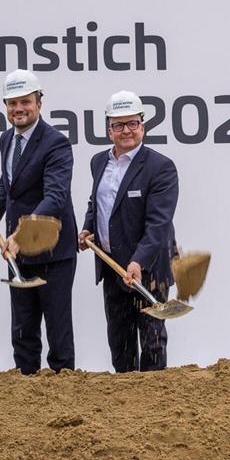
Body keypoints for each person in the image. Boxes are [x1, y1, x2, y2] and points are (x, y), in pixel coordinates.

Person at [0, 69, 77, 375]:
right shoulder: (7, 139)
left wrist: (21, 234)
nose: (19, 109)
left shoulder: (56, 144)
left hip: (51, 252)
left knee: (57, 331)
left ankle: (63, 393)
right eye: (12, 103)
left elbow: (55, 198)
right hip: (17, 251)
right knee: (23, 329)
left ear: (39, 103)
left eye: (25, 102)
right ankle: (26, 389)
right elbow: (9, 180)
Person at [80, 91, 178, 372]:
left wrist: (138, 262)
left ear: (143, 126)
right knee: (119, 342)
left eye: (132, 123)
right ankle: (125, 409)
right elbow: (97, 202)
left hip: (148, 271)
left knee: (152, 342)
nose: (126, 131)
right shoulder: (99, 162)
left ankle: (154, 401)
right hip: (112, 267)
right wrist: (88, 228)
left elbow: (159, 224)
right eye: (118, 125)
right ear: (108, 129)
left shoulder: (161, 167)